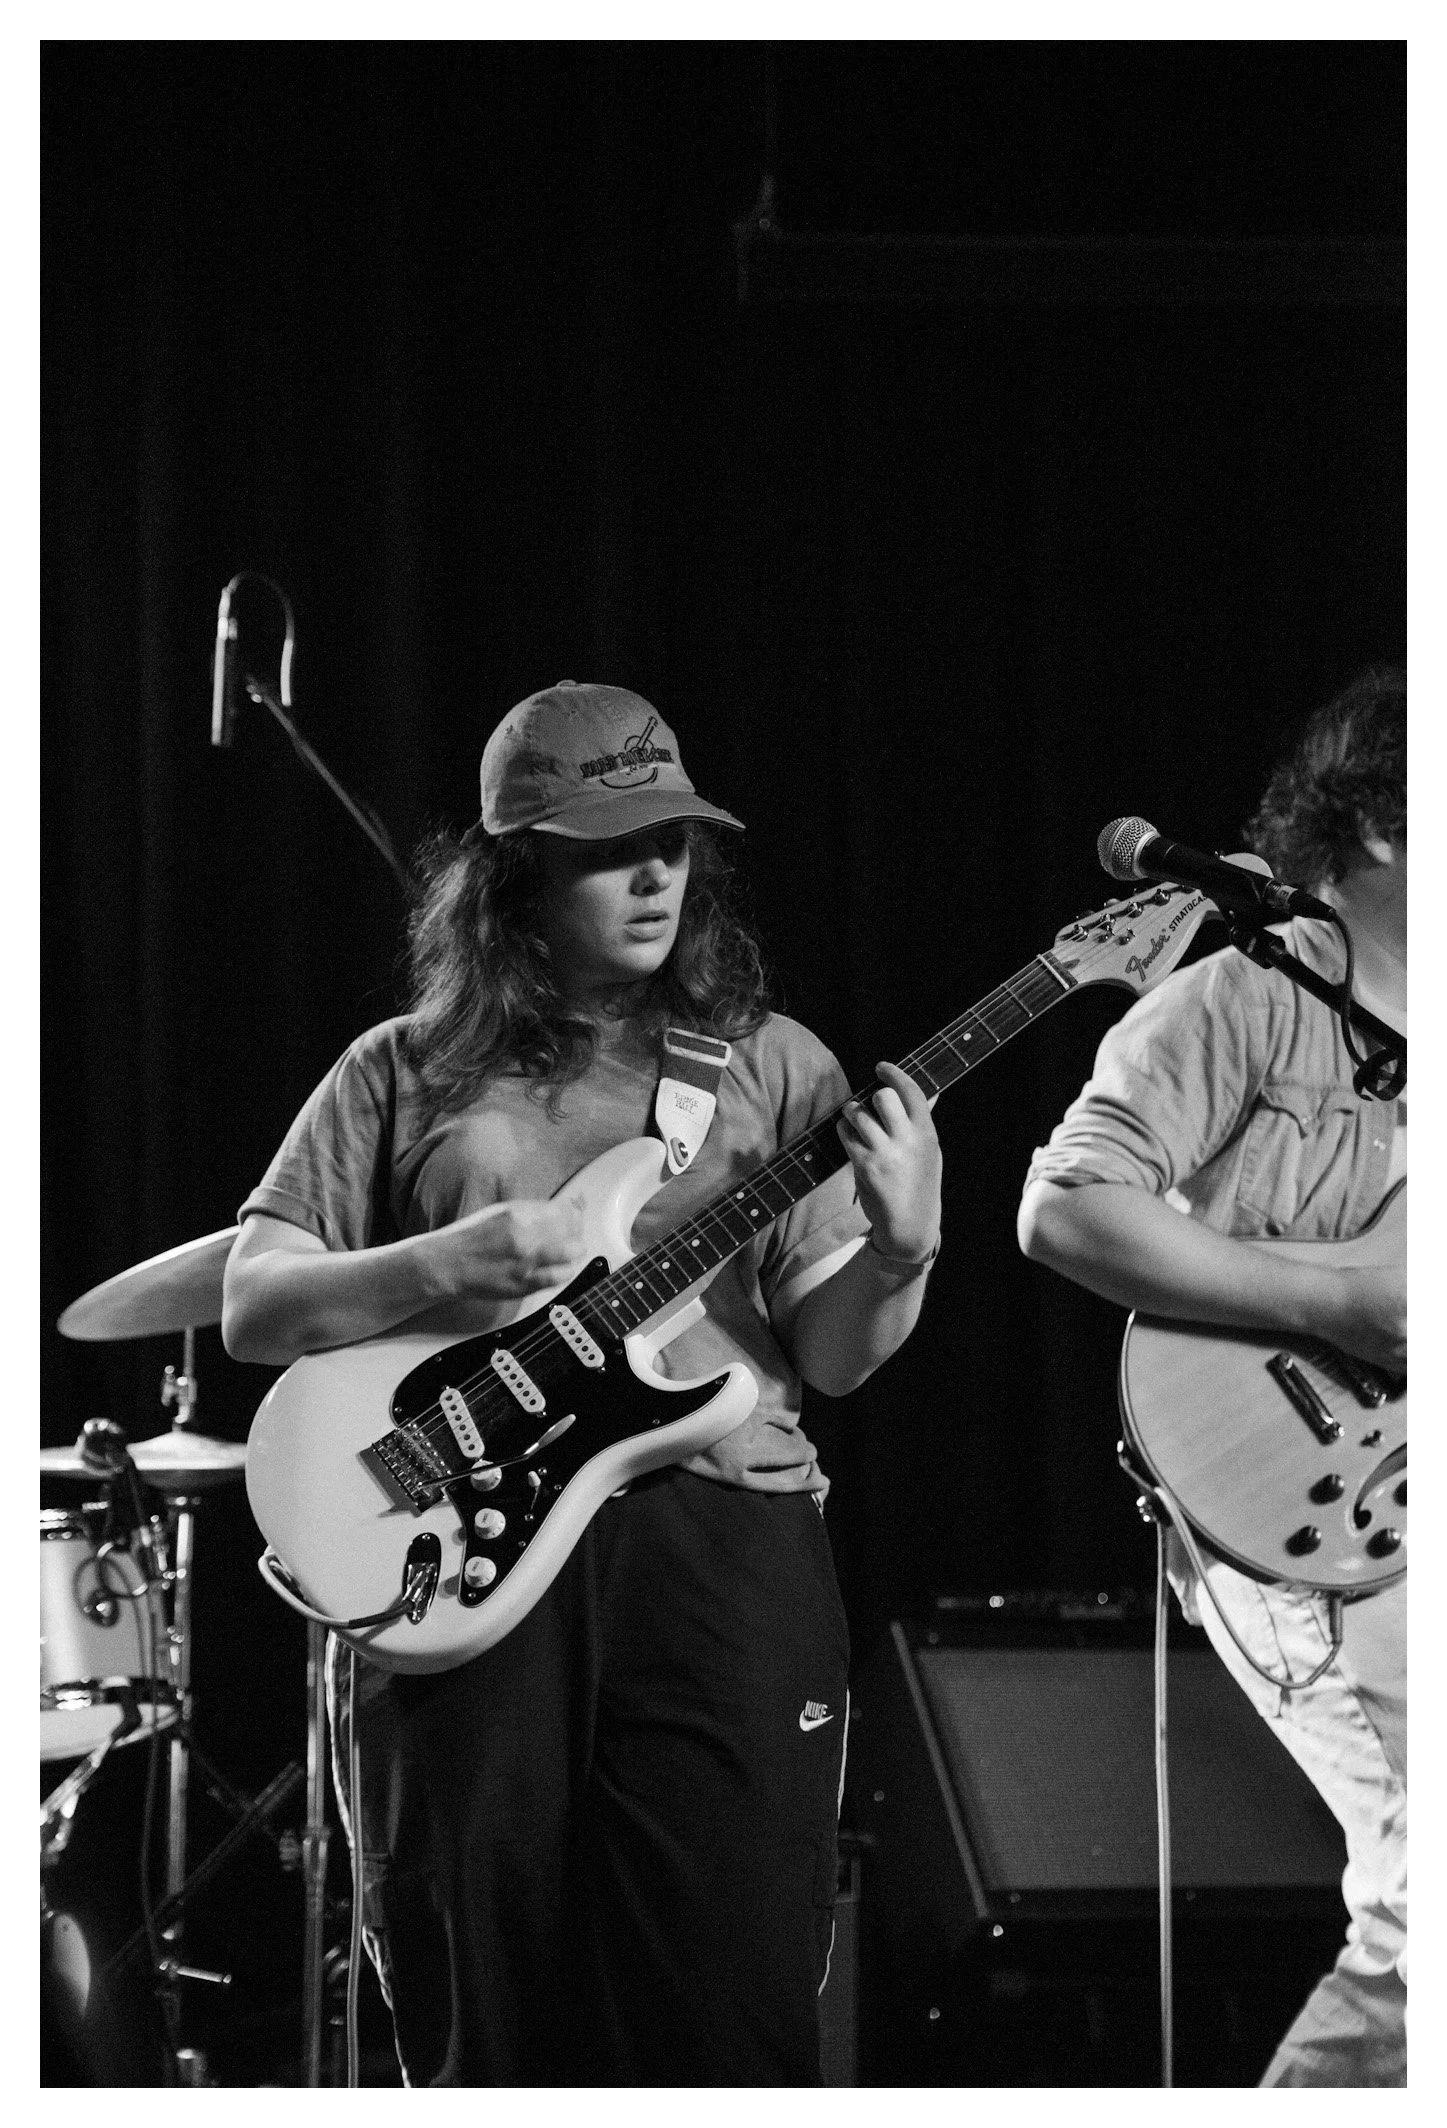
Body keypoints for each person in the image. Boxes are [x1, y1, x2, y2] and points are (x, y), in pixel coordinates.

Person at [222, 679, 943, 2087]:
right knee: (479, 2014)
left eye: (673, 840)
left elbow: (833, 1354)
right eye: (615, 848)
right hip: (468, 1551)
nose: (658, 874)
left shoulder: (771, 1064)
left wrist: (905, 1249)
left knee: (732, 2018)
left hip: (717, 1550)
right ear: (516, 877)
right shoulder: (403, 1070)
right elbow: (254, 1302)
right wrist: (445, 1257)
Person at [1017, 666, 1406, 2087]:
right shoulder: (1242, 999)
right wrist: (1339, 1299)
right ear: (1377, 823)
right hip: (1303, 1500)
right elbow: (1066, 1208)